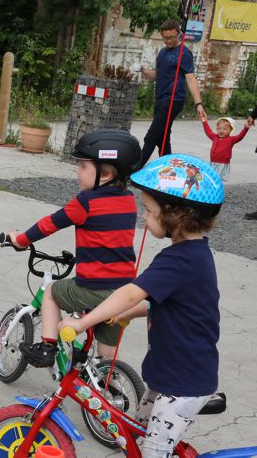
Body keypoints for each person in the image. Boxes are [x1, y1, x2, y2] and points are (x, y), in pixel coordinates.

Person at [60, 154, 223, 458]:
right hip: (170, 375)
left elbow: (132, 293)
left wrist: (83, 322)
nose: (144, 220)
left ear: (177, 215)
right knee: (134, 436)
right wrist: (124, 314)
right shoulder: (193, 254)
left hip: (183, 382)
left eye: (148, 211)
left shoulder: (179, 260)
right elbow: (167, 305)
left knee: (153, 451)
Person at [8, 129, 141, 366]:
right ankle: (103, 383)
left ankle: (47, 347)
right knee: (106, 356)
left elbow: (49, 224)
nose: (77, 171)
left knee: (51, 292)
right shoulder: (129, 200)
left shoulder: (86, 201)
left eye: (82, 166)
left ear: (106, 172)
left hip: (92, 287)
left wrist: (21, 240)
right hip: (123, 291)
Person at [137, 19, 208, 169]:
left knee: (151, 137)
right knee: (163, 138)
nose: (168, 41)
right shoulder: (162, 53)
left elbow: (190, 78)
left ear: (178, 34)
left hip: (173, 100)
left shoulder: (184, 53)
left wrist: (198, 104)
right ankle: (169, 170)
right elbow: (157, 74)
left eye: (171, 37)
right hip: (161, 99)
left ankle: (133, 171)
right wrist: (143, 71)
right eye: (165, 38)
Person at [201, 117, 251, 183]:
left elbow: (240, 137)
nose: (221, 130)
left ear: (230, 130)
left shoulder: (231, 140)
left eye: (224, 129)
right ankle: (212, 190)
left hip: (222, 164)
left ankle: (217, 190)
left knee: (217, 179)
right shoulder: (215, 137)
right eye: (219, 128)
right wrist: (204, 122)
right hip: (213, 163)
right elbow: (208, 132)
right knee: (211, 178)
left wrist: (246, 128)